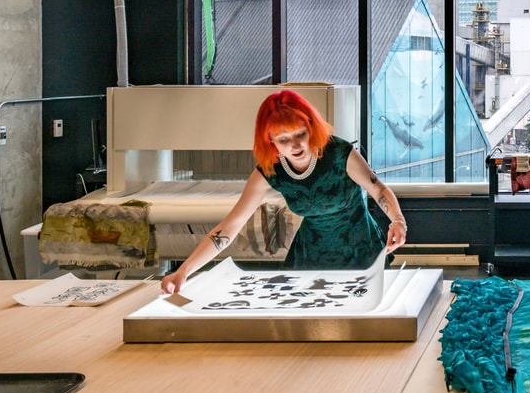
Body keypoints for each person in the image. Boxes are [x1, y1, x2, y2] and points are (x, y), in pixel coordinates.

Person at [160, 89, 407, 294]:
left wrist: (398, 220)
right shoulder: (271, 171)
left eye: (301, 134)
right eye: (283, 139)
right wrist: (184, 271)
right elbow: (230, 227)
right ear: (271, 142)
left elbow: (378, 189)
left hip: (361, 251)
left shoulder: (339, 153)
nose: (296, 145)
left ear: (312, 127)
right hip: (308, 258)